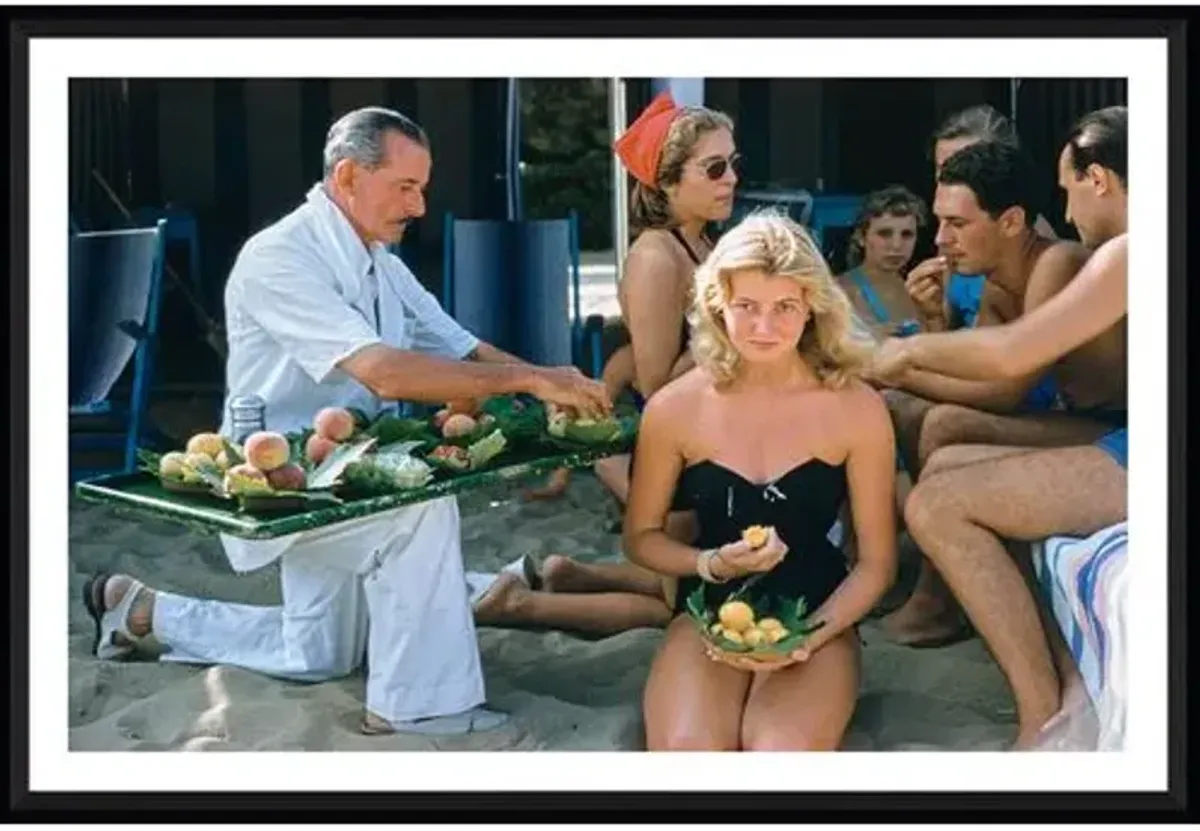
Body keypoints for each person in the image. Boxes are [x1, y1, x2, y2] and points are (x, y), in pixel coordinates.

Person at [79, 106, 614, 738]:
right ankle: (419, 708)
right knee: (418, 510)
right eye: (406, 187)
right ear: (348, 177)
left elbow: (458, 346)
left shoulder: (379, 259)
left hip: (348, 476)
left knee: (319, 657)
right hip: (281, 487)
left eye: (423, 187)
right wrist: (528, 381)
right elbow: (384, 372)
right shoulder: (280, 257)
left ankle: (144, 612)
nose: (419, 207)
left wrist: (554, 385)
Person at [870, 105, 1129, 748]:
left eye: (1070, 189)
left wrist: (897, 357)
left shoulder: (1108, 255)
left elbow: (1011, 365)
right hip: (1112, 430)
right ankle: (1058, 690)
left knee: (940, 495)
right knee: (950, 464)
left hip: (1126, 436)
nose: (1065, 210)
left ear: (1099, 179)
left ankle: (1043, 720)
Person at [624, 211, 897, 751]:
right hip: (705, 611)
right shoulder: (674, 408)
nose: (764, 328)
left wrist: (807, 638)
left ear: (812, 307)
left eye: (784, 308)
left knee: (779, 754)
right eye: (746, 307)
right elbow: (640, 539)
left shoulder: (857, 409)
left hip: (820, 612)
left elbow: (877, 564)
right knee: (688, 755)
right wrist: (708, 563)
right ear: (716, 305)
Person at [836, 185, 931, 340]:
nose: (896, 245)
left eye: (907, 235)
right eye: (885, 234)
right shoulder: (840, 292)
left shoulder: (922, 289)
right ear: (861, 237)